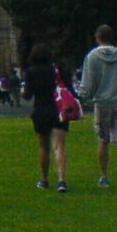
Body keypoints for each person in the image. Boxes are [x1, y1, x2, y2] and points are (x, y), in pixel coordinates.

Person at [78, 24, 117, 190]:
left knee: (103, 141)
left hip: (102, 103)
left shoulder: (92, 57)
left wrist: (84, 95)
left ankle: (104, 177)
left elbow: (88, 83)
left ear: (97, 38)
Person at [23, 44, 72, 192]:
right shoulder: (58, 70)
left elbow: (27, 95)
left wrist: (22, 92)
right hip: (59, 110)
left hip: (41, 111)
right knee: (59, 146)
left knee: (44, 147)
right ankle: (62, 181)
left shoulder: (31, 72)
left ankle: (44, 179)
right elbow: (68, 88)